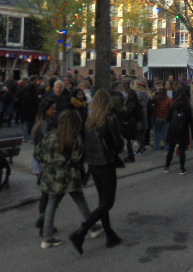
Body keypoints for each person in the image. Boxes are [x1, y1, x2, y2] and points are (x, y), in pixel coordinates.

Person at [68, 89, 124, 254]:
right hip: (106, 163)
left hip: (93, 164)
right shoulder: (109, 118)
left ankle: (109, 234)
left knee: (102, 202)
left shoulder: (89, 119)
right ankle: (81, 231)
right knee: (107, 203)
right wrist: (121, 145)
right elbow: (117, 143)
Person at [39, 109, 94, 248]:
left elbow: (38, 153)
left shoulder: (50, 136)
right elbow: (77, 158)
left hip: (51, 177)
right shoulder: (74, 140)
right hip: (68, 177)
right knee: (80, 201)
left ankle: (47, 236)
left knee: (52, 203)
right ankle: (92, 226)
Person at [32, 98, 59, 234]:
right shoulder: (46, 124)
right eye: (52, 109)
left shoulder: (41, 122)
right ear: (46, 110)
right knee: (50, 195)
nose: (55, 111)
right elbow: (49, 144)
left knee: (46, 194)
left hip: (40, 160)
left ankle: (43, 222)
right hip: (46, 161)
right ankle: (44, 225)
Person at [164, 90, 193, 174]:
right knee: (182, 151)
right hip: (183, 131)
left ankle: (167, 166)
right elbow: (189, 120)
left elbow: (168, 118)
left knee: (170, 150)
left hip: (173, 129)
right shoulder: (187, 108)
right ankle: (182, 168)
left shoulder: (174, 106)